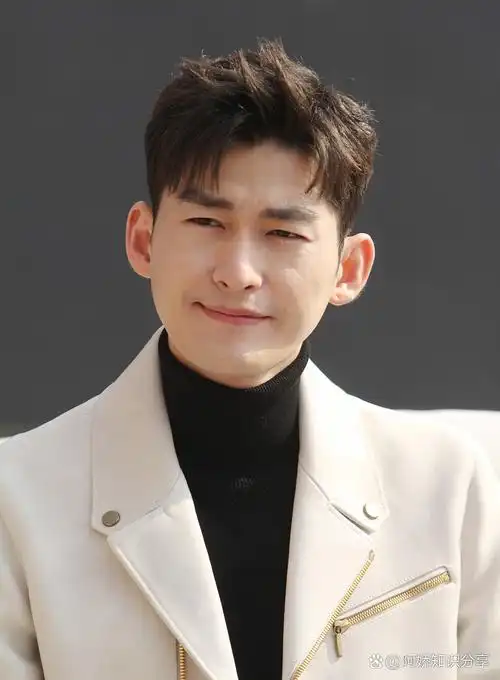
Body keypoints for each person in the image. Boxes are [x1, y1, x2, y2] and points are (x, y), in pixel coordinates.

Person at [0, 39, 498, 680]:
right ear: (144, 240)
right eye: (206, 223)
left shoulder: (452, 487)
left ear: (348, 268)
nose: (238, 272)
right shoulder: (17, 499)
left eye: (283, 233)